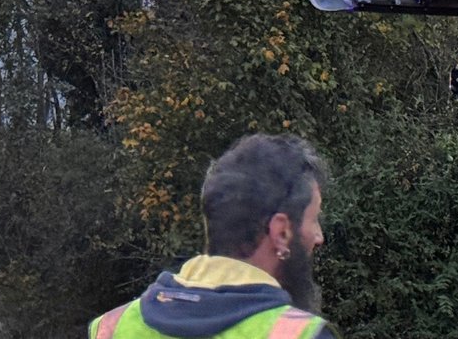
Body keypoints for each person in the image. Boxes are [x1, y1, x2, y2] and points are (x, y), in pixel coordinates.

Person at [90, 135, 335, 339]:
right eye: (314, 220)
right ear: (281, 231)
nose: (318, 237)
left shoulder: (111, 327)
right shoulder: (298, 334)